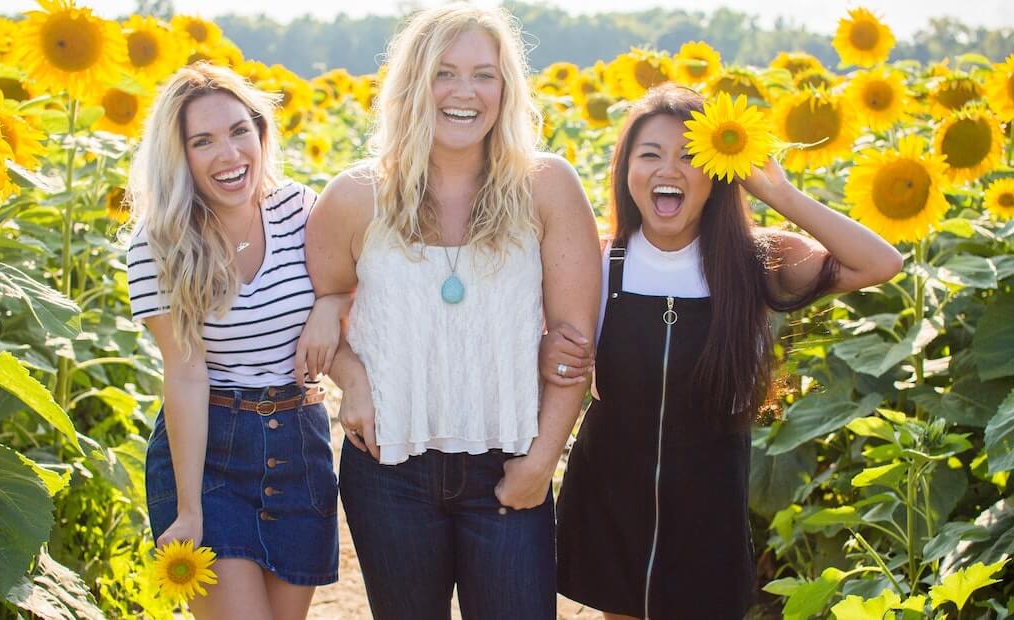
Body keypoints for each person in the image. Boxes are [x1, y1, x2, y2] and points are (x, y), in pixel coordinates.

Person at [541, 84, 904, 619]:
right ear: (627, 172)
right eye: (650, 155)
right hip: (611, 493)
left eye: (691, 156)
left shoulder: (754, 262)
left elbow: (880, 262)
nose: (670, 169)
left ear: (718, 174)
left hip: (707, 506)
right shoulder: (599, 260)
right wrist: (547, 350)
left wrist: (778, 193)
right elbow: (545, 343)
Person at [305, 5, 601, 619]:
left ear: (506, 88)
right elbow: (320, 314)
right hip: (387, 470)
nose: (464, 92)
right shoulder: (355, 196)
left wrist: (542, 461)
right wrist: (352, 379)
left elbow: (575, 346)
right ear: (412, 84)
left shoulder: (547, 187)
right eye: (444, 72)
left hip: (509, 466)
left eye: (484, 75)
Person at [126, 62, 345, 619]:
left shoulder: (299, 209)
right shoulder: (157, 245)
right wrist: (190, 507)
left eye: (238, 131)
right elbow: (185, 373)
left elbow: (346, 284)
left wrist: (330, 306)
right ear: (179, 157)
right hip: (213, 453)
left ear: (260, 132)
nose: (229, 155)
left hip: (300, 445)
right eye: (203, 141)